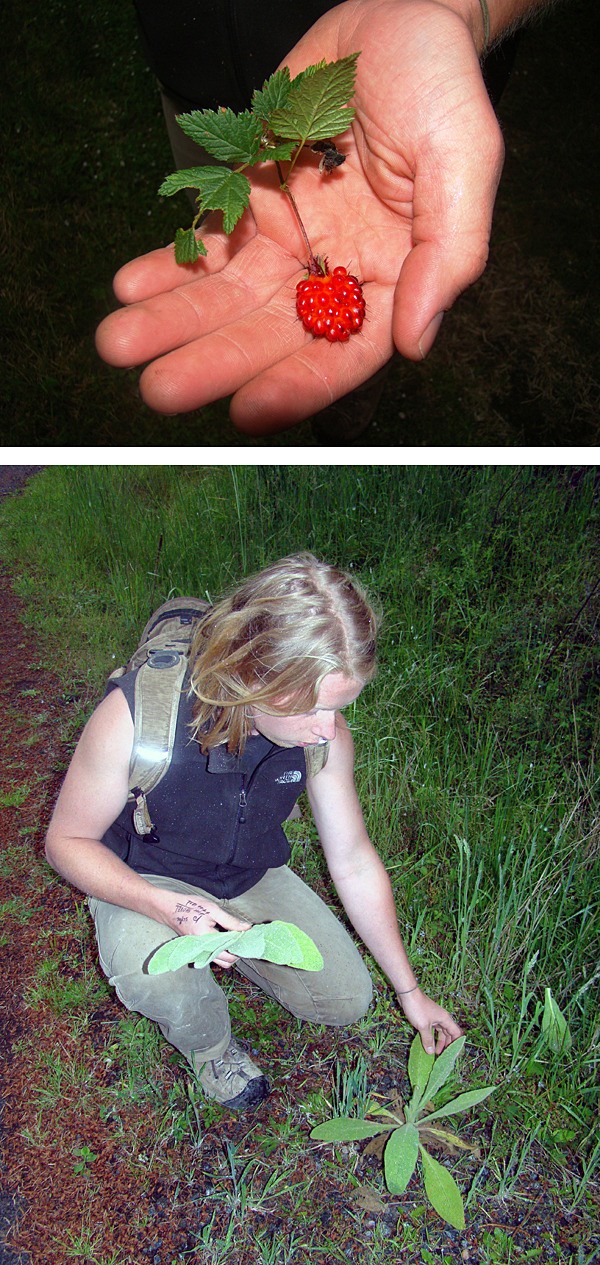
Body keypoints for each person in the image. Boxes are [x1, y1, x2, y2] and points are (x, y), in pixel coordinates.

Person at [45, 555, 462, 1112]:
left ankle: (228, 942)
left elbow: (354, 860)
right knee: (155, 975)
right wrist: (164, 907)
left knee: (343, 1001)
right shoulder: (135, 719)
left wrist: (410, 993)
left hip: (247, 874)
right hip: (144, 873)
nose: (327, 728)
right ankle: (210, 1045)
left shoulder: (324, 738)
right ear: (250, 675)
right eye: (311, 707)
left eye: (340, 706)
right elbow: (66, 842)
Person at [95, 0, 551, 439]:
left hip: (363, 109)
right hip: (190, 73)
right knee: (217, 215)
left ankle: (350, 401)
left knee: (385, 297)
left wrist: (454, 7)